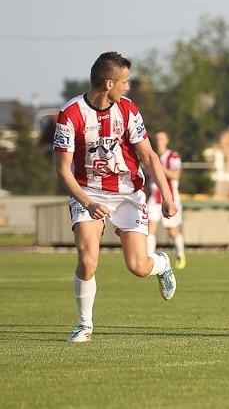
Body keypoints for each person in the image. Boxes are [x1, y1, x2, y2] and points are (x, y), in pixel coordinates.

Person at [53, 51, 178, 343]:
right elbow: (62, 170)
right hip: (88, 192)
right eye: (126, 82)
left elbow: (148, 156)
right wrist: (87, 202)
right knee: (88, 261)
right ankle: (84, 325)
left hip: (128, 194)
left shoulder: (129, 110)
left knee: (138, 267)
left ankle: (161, 264)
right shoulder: (70, 115)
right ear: (109, 84)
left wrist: (167, 196)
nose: (129, 87)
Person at [147, 130, 186, 269]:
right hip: (153, 198)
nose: (159, 141)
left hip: (169, 198)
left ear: (167, 140)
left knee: (172, 231)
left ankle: (180, 253)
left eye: (162, 139)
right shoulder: (152, 156)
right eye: (157, 139)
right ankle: (150, 257)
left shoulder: (173, 156)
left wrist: (160, 168)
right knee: (150, 227)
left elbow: (175, 176)